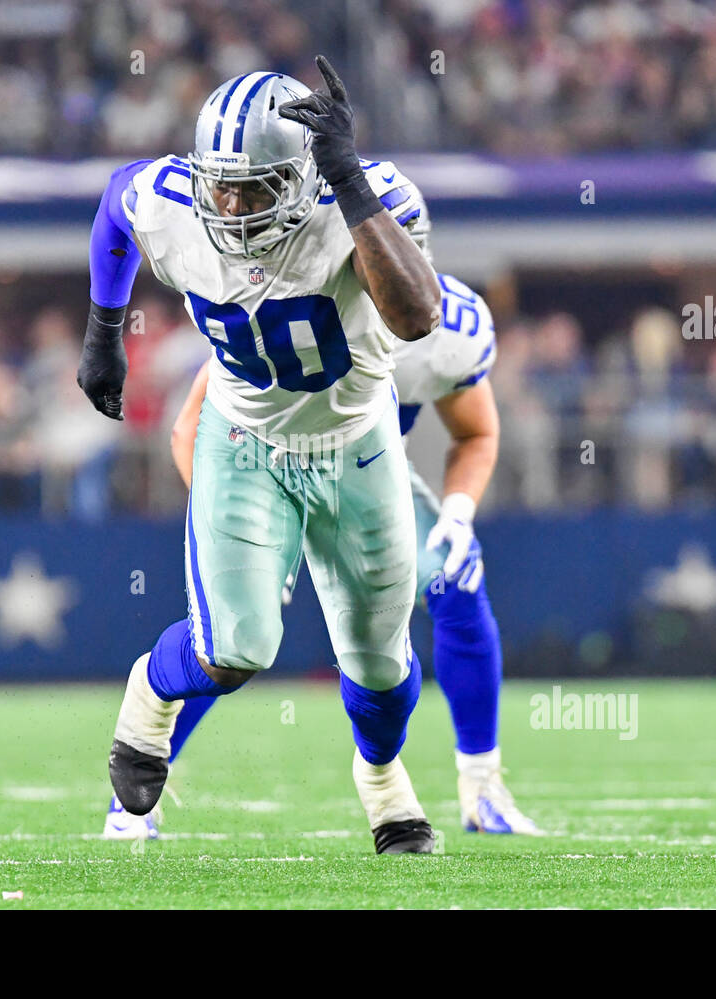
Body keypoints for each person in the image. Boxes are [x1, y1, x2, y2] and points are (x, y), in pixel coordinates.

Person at [79, 58, 444, 853]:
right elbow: (117, 204)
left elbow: (417, 316)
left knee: (383, 668)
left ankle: (381, 777)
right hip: (245, 439)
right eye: (223, 186)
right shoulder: (176, 201)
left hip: (357, 443)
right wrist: (104, 332)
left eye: (257, 187)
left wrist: (348, 185)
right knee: (234, 646)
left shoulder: (368, 198)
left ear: (310, 175)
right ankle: (150, 691)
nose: (234, 206)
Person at [109, 266, 541, 839]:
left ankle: (479, 786)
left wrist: (459, 510)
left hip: (363, 475)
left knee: (452, 582)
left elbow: (476, 432)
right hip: (259, 467)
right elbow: (192, 425)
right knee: (230, 638)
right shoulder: (290, 297)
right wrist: (236, 533)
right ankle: (134, 794)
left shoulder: (446, 325)